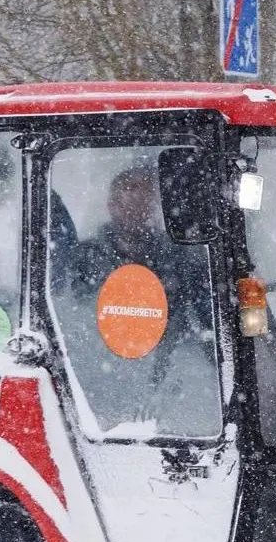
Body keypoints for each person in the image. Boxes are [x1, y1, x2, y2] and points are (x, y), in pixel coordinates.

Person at [50, 161, 222, 438]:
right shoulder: (85, 261)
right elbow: (72, 324)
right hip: (101, 390)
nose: (134, 211)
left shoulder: (180, 262)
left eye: (143, 202)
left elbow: (202, 327)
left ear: (155, 207)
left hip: (167, 388)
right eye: (125, 201)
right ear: (111, 205)